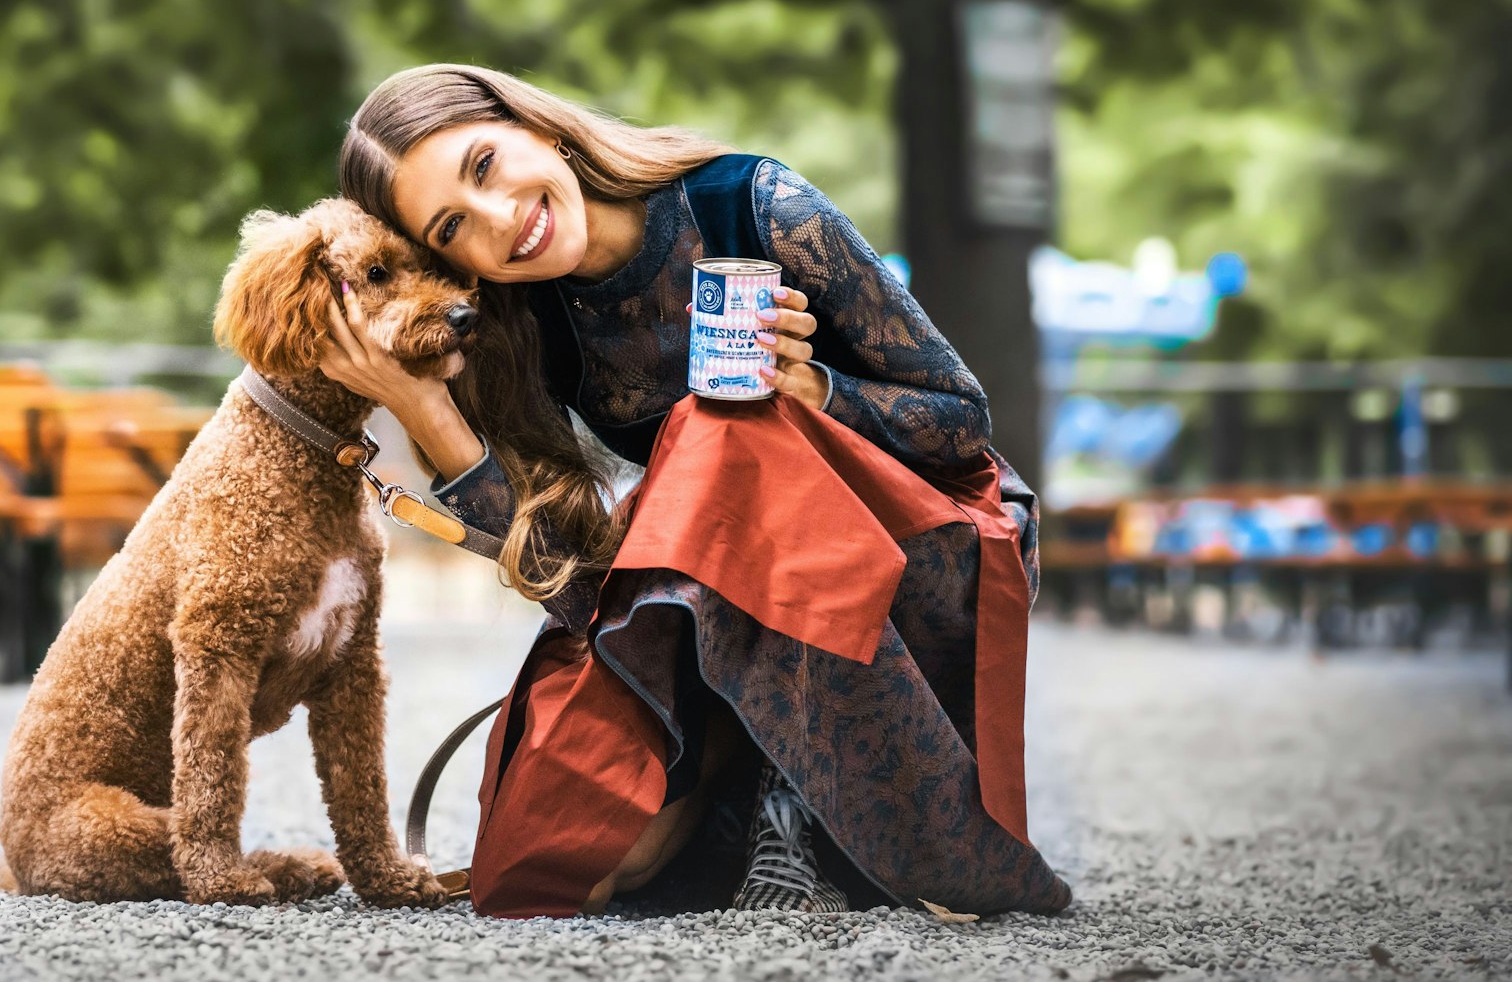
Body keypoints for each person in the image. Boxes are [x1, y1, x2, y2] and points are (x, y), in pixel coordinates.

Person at [322, 63, 1071, 918]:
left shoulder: (752, 203)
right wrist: (420, 405)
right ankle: (748, 789)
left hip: (919, 547)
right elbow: (583, 599)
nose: (500, 219)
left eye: (485, 165)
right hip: (728, 581)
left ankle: (808, 812)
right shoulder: (532, 331)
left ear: (541, 130)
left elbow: (963, 420)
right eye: (453, 226)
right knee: (559, 864)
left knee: (723, 428)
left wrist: (817, 388)